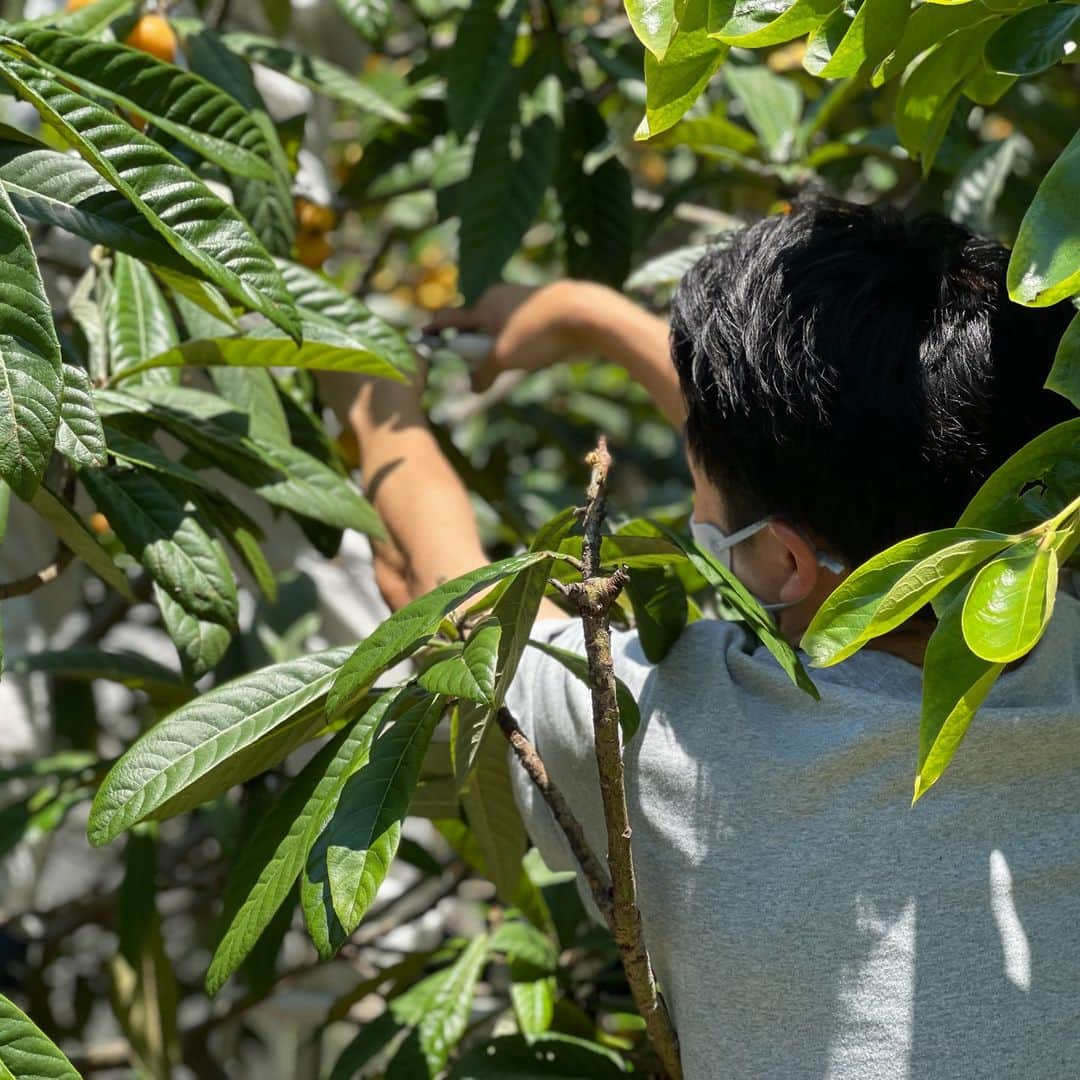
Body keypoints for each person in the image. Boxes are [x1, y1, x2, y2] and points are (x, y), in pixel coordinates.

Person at [346, 198, 1080, 1079]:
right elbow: (869, 456)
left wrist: (373, 406)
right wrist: (590, 319)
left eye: (702, 485)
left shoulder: (680, 739)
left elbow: (452, 599)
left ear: (784, 562)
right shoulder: (1054, 590)